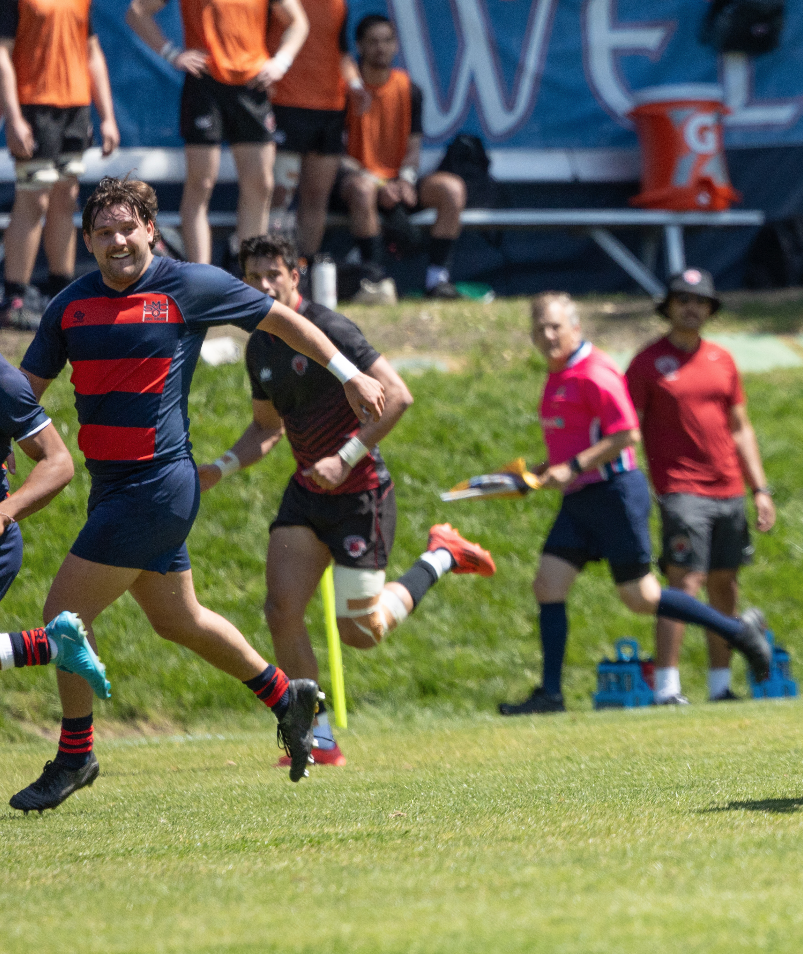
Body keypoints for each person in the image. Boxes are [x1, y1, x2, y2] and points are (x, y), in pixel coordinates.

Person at [9, 177, 388, 812]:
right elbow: (23, 395)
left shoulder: (188, 285)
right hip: (112, 487)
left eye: (127, 229)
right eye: (103, 233)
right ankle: (287, 697)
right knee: (178, 620)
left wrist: (349, 375)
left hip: (157, 486)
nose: (117, 242)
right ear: (87, 242)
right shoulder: (69, 306)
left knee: (64, 617)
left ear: (151, 231)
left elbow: (283, 321)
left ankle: (75, 755)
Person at [197, 234, 495, 766]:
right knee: (281, 610)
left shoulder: (329, 329)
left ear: (296, 274)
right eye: (254, 277)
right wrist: (219, 468)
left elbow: (397, 395)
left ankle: (442, 554)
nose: (264, 286)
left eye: (274, 274)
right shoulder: (259, 346)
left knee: (361, 633)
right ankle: (319, 738)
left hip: (361, 495)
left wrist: (346, 456)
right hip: (307, 494)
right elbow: (266, 428)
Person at [498, 292, 772, 715]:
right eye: (540, 328)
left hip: (615, 494)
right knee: (548, 585)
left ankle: (737, 631)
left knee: (641, 597)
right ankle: (550, 694)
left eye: (555, 327)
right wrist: (539, 472)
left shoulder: (595, 371)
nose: (548, 335)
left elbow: (627, 433)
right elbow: (578, 438)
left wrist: (573, 466)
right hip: (580, 498)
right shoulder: (559, 373)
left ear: (576, 328)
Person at [124, 0, 308, 266]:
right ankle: (201, 275)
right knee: (201, 184)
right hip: (206, 84)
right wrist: (172, 53)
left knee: (260, 182)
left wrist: (281, 62)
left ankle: (252, 273)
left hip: (252, 85)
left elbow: (297, 22)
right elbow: (138, 11)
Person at [627, 269, 777, 704]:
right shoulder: (646, 363)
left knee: (725, 585)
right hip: (680, 490)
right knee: (684, 583)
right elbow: (627, 430)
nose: (691, 308)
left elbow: (741, 428)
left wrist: (760, 489)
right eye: (683, 300)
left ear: (710, 309)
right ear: (668, 307)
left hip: (729, 488)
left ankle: (719, 687)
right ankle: (667, 689)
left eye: (700, 301)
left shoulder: (722, 360)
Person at [0, 0, 120, 329]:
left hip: (75, 108)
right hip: (34, 107)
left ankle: (60, 291)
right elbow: (2, 54)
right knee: (33, 199)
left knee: (66, 200)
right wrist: (13, 116)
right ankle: (15, 296)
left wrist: (107, 115)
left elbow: (92, 52)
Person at [338, 14, 466, 303]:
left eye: (387, 41)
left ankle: (437, 280)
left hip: (397, 183)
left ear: (396, 45)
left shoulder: (409, 89)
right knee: (362, 190)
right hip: (357, 182)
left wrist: (406, 180)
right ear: (359, 46)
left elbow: (413, 147)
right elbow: (335, 155)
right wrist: (378, 184)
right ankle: (374, 282)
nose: (380, 48)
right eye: (373, 42)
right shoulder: (347, 91)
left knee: (452, 188)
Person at [0, 353, 105, 694]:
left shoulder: (4, 383)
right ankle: (51, 645)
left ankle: (51, 647)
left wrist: (4, 512)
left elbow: (58, 462)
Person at [266, 0, 368, 257]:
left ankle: (304, 268)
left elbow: (341, 52)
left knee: (315, 197)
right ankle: (266, 268)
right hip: (285, 106)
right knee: (278, 194)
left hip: (329, 111)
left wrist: (355, 85)